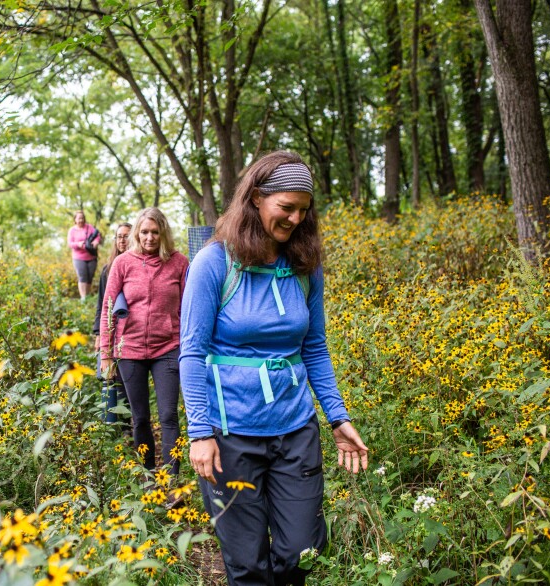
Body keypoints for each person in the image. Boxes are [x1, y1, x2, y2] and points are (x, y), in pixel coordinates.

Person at [179, 151, 368, 585]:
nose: (296, 218)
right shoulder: (214, 263)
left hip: (295, 428)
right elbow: (191, 352)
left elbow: (315, 348)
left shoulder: (304, 266)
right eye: (286, 207)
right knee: (247, 564)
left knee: (301, 552)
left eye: (304, 209)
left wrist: (337, 417)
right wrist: (200, 433)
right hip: (231, 434)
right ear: (256, 199)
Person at [100, 208, 188, 474]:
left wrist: (189, 345)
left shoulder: (179, 262)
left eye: (155, 232)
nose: (150, 237)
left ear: (163, 233)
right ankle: (148, 474)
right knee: (139, 419)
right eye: (145, 232)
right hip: (130, 350)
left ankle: (172, 478)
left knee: (169, 416)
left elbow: (189, 308)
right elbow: (108, 306)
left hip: (168, 348)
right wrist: (106, 352)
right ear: (137, 233)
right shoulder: (123, 262)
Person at [93, 222, 132, 431]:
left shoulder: (138, 268)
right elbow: (101, 304)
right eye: (119, 236)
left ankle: (127, 427)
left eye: (126, 236)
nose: (122, 240)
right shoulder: (108, 270)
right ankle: (113, 430)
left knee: (127, 381)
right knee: (110, 379)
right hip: (111, 331)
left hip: (130, 333)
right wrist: (98, 334)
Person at [67, 210, 101, 299]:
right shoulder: (72, 230)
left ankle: (87, 295)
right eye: (79, 218)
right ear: (75, 219)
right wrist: (78, 244)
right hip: (79, 257)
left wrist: (96, 242)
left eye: (82, 218)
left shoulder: (89, 227)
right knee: (83, 276)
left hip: (91, 256)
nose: (81, 220)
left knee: (90, 277)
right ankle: (83, 298)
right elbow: (70, 243)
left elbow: (97, 235)